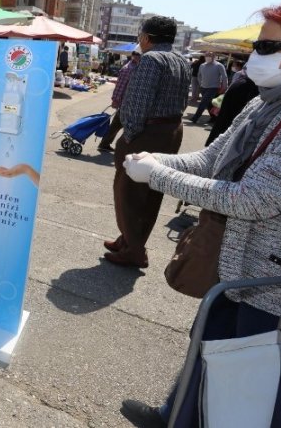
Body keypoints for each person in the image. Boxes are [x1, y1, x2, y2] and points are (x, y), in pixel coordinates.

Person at [120, 0, 281, 428]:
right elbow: (209, 161)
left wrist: (157, 176)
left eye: (267, 48)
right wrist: (154, 161)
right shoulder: (265, 102)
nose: (254, 58)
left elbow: (254, 198)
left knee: (254, 398)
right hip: (237, 271)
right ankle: (175, 417)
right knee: (208, 353)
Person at [103, 16, 190, 268]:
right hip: (171, 130)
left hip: (147, 132)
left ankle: (134, 250)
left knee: (128, 192)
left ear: (146, 37)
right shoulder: (180, 60)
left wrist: (128, 134)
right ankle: (130, 241)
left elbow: (137, 102)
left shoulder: (151, 59)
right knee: (151, 193)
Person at [97, 48, 141, 152]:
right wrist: (115, 100)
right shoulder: (128, 69)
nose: (140, 58)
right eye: (139, 55)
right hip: (125, 103)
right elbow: (120, 87)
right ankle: (108, 144)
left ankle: (105, 144)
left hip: (130, 102)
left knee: (117, 124)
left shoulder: (136, 67)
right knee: (119, 125)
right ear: (134, 56)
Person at [190, 52, 228, 123]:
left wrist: (225, 86)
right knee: (208, 104)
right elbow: (199, 75)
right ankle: (214, 118)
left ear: (214, 56)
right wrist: (200, 83)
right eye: (206, 55)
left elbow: (224, 77)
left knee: (203, 102)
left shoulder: (219, 65)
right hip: (203, 87)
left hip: (213, 87)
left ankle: (195, 118)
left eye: (209, 56)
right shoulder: (202, 65)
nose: (207, 57)